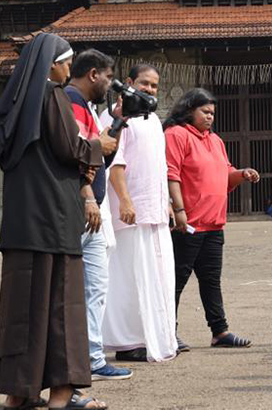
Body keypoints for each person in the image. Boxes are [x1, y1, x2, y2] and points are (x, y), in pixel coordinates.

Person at [0, 33, 108, 410]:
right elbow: (69, 148)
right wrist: (99, 146)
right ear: (52, 64)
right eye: (65, 61)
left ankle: (20, 391)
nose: (68, 69)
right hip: (55, 218)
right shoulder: (51, 96)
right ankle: (62, 392)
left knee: (23, 305)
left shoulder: (14, 102)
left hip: (22, 222)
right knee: (63, 303)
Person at [164, 88, 260, 349]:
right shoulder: (176, 135)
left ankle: (220, 332)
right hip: (188, 224)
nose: (209, 117)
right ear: (188, 110)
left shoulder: (214, 140)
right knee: (175, 281)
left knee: (211, 281)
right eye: (204, 112)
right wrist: (180, 211)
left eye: (212, 113)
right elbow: (171, 174)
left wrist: (242, 173)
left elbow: (224, 174)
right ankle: (167, 332)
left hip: (213, 223)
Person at [102, 64, 178, 363]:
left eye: (154, 86)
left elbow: (157, 166)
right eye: (144, 84)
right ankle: (125, 342)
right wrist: (125, 200)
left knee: (158, 277)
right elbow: (114, 163)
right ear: (130, 83)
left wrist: (168, 203)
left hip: (155, 211)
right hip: (131, 212)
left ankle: (154, 334)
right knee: (128, 278)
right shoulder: (115, 115)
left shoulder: (154, 120)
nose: (149, 90)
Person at [65, 50, 132, 382]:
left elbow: (101, 155)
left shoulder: (86, 107)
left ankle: (90, 357)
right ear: (93, 74)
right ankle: (83, 359)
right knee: (84, 289)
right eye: (108, 76)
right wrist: (88, 197)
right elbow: (77, 158)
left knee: (93, 288)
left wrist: (118, 120)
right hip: (82, 209)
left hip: (90, 209)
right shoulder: (72, 103)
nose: (110, 83)